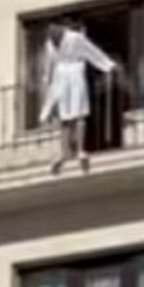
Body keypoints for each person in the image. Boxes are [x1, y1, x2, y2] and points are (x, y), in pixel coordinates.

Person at [38, 19, 117, 173]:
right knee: (65, 118)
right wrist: (47, 86)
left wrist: (107, 65)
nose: (54, 39)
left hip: (75, 76)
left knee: (79, 113)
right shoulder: (50, 45)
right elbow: (48, 68)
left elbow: (91, 51)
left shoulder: (75, 38)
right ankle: (65, 151)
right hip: (60, 79)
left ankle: (80, 148)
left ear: (61, 30)